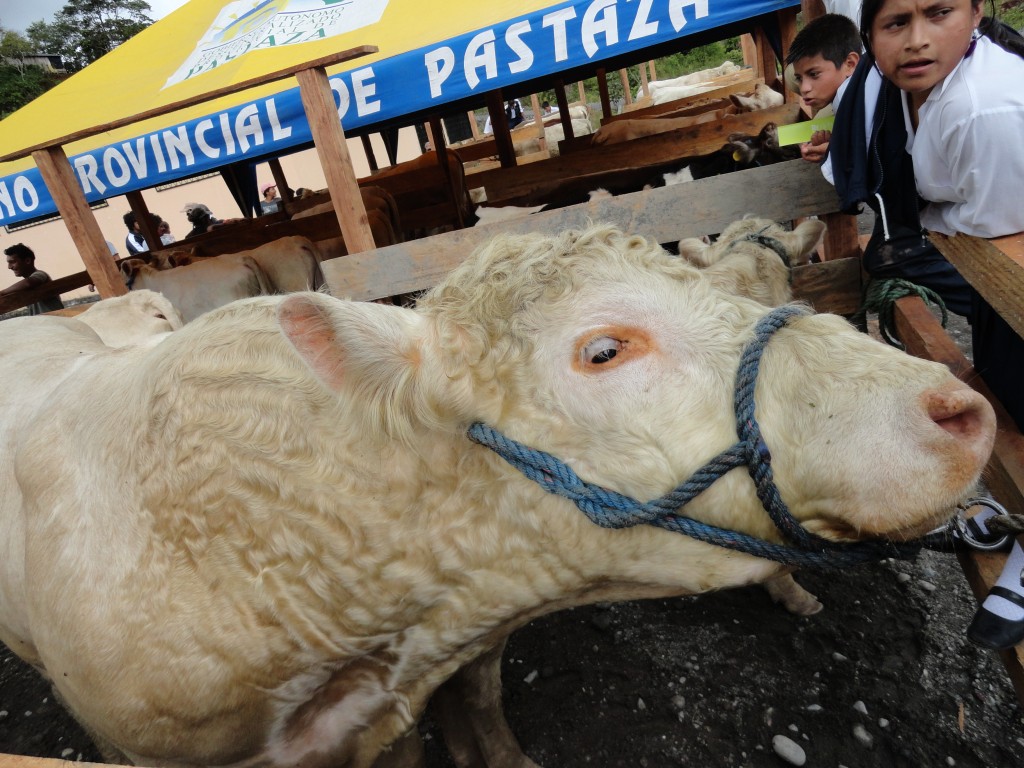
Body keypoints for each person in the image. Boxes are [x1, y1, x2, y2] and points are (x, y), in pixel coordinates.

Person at [849, 0, 1024, 651]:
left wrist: (932, 226)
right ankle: (1009, 514)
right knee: (1003, 383)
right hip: (984, 261)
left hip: (1005, 270)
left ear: (977, 11)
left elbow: (996, 243)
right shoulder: (925, 92)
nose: (917, 40)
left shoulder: (988, 109)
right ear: (872, 37)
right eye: (896, 24)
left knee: (1015, 379)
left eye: (939, 12)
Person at [784, 14, 862, 164]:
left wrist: (838, 151)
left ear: (850, 64)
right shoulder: (847, 101)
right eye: (799, 79)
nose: (804, 89)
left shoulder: (864, 105)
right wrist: (834, 147)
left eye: (814, 74)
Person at [2, 243, 65, 314]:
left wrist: (2, 292)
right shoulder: (22, 286)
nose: (9, 267)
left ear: (27, 261)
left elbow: (28, 283)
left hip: (55, 321)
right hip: (43, 322)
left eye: (12, 262)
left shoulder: (40, 274)